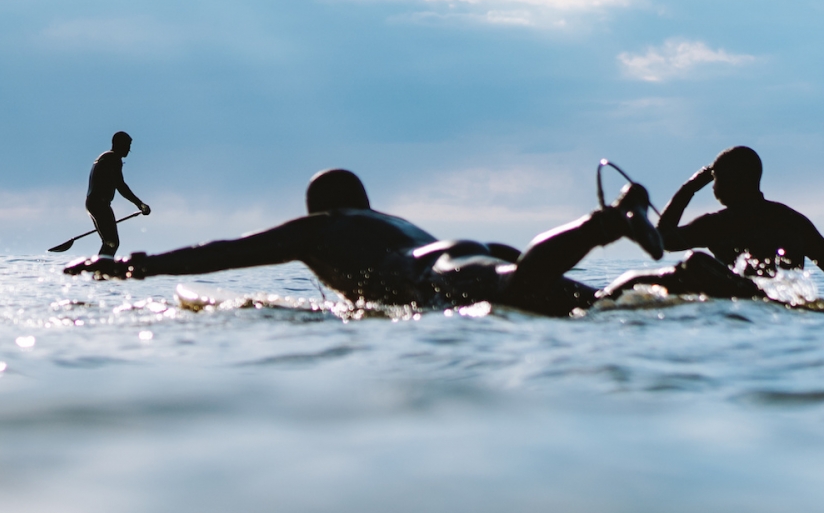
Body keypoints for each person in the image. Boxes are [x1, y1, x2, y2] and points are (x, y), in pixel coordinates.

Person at [65, 168, 668, 317]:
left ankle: (608, 221)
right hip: (468, 251)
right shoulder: (390, 220)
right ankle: (688, 276)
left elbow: (219, 253)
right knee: (598, 303)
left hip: (438, 274)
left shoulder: (323, 226)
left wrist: (129, 267)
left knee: (525, 289)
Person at [655, 146, 824, 276]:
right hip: (789, 309)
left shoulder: (718, 225)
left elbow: (661, 241)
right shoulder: (793, 221)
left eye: (716, 180)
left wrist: (689, 188)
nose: (713, 187)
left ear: (729, 183)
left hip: (739, 309)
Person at [86, 131, 151, 257]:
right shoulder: (113, 158)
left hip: (93, 203)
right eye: (127, 145)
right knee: (112, 242)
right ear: (119, 144)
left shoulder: (106, 157)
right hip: (100, 204)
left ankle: (101, 269)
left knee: (109, 242)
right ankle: (101, 271)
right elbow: (120, 186)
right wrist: (140, 204)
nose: (129, 149)